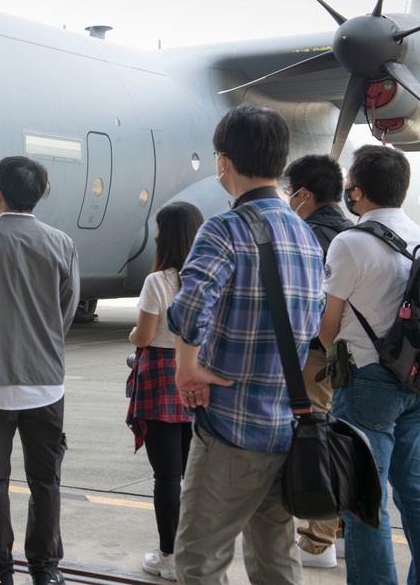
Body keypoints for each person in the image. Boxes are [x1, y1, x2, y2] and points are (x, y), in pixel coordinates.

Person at [167, 103, 324, 584]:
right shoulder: (306, 235)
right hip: (288, 426)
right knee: (276, 558)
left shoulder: (225, 228)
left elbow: (190, 309)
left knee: (199, 559)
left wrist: (187, 367)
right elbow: (313, 322)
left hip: (232, 429)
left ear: (223, 162)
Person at [0, 156, 79, 585]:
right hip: (46, 381)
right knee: (46, 482)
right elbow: (66, 311)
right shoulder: (61, 242)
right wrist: (41, 341)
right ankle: (45, 572)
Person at [317, 144, 420, 585]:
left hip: (365, 381)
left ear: (355, 192)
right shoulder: (417, 236)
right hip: (414, 380)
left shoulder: (350, 242)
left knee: (364, 501)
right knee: (414, 492)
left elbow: (328, 324)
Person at [281, 154, 352, 569]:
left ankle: (317, 537)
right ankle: (340, 530)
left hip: (313, 354)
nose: (288, 200)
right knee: (338, 436)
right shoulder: (353, 233)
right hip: (350, 357)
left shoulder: (305, 235)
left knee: (312, 440)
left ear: (305, 195)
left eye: (291, 193)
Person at [126, 201, 203, 581]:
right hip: (201, 378)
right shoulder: (210, 279)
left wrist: (133, 336)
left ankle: (169, 556)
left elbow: (142, 334)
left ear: (167, 235)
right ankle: (197, 553)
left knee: (167, 475)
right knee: (198, 473)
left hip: (160, 376)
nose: (154, 234)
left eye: (158, 228)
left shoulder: (158, 281)